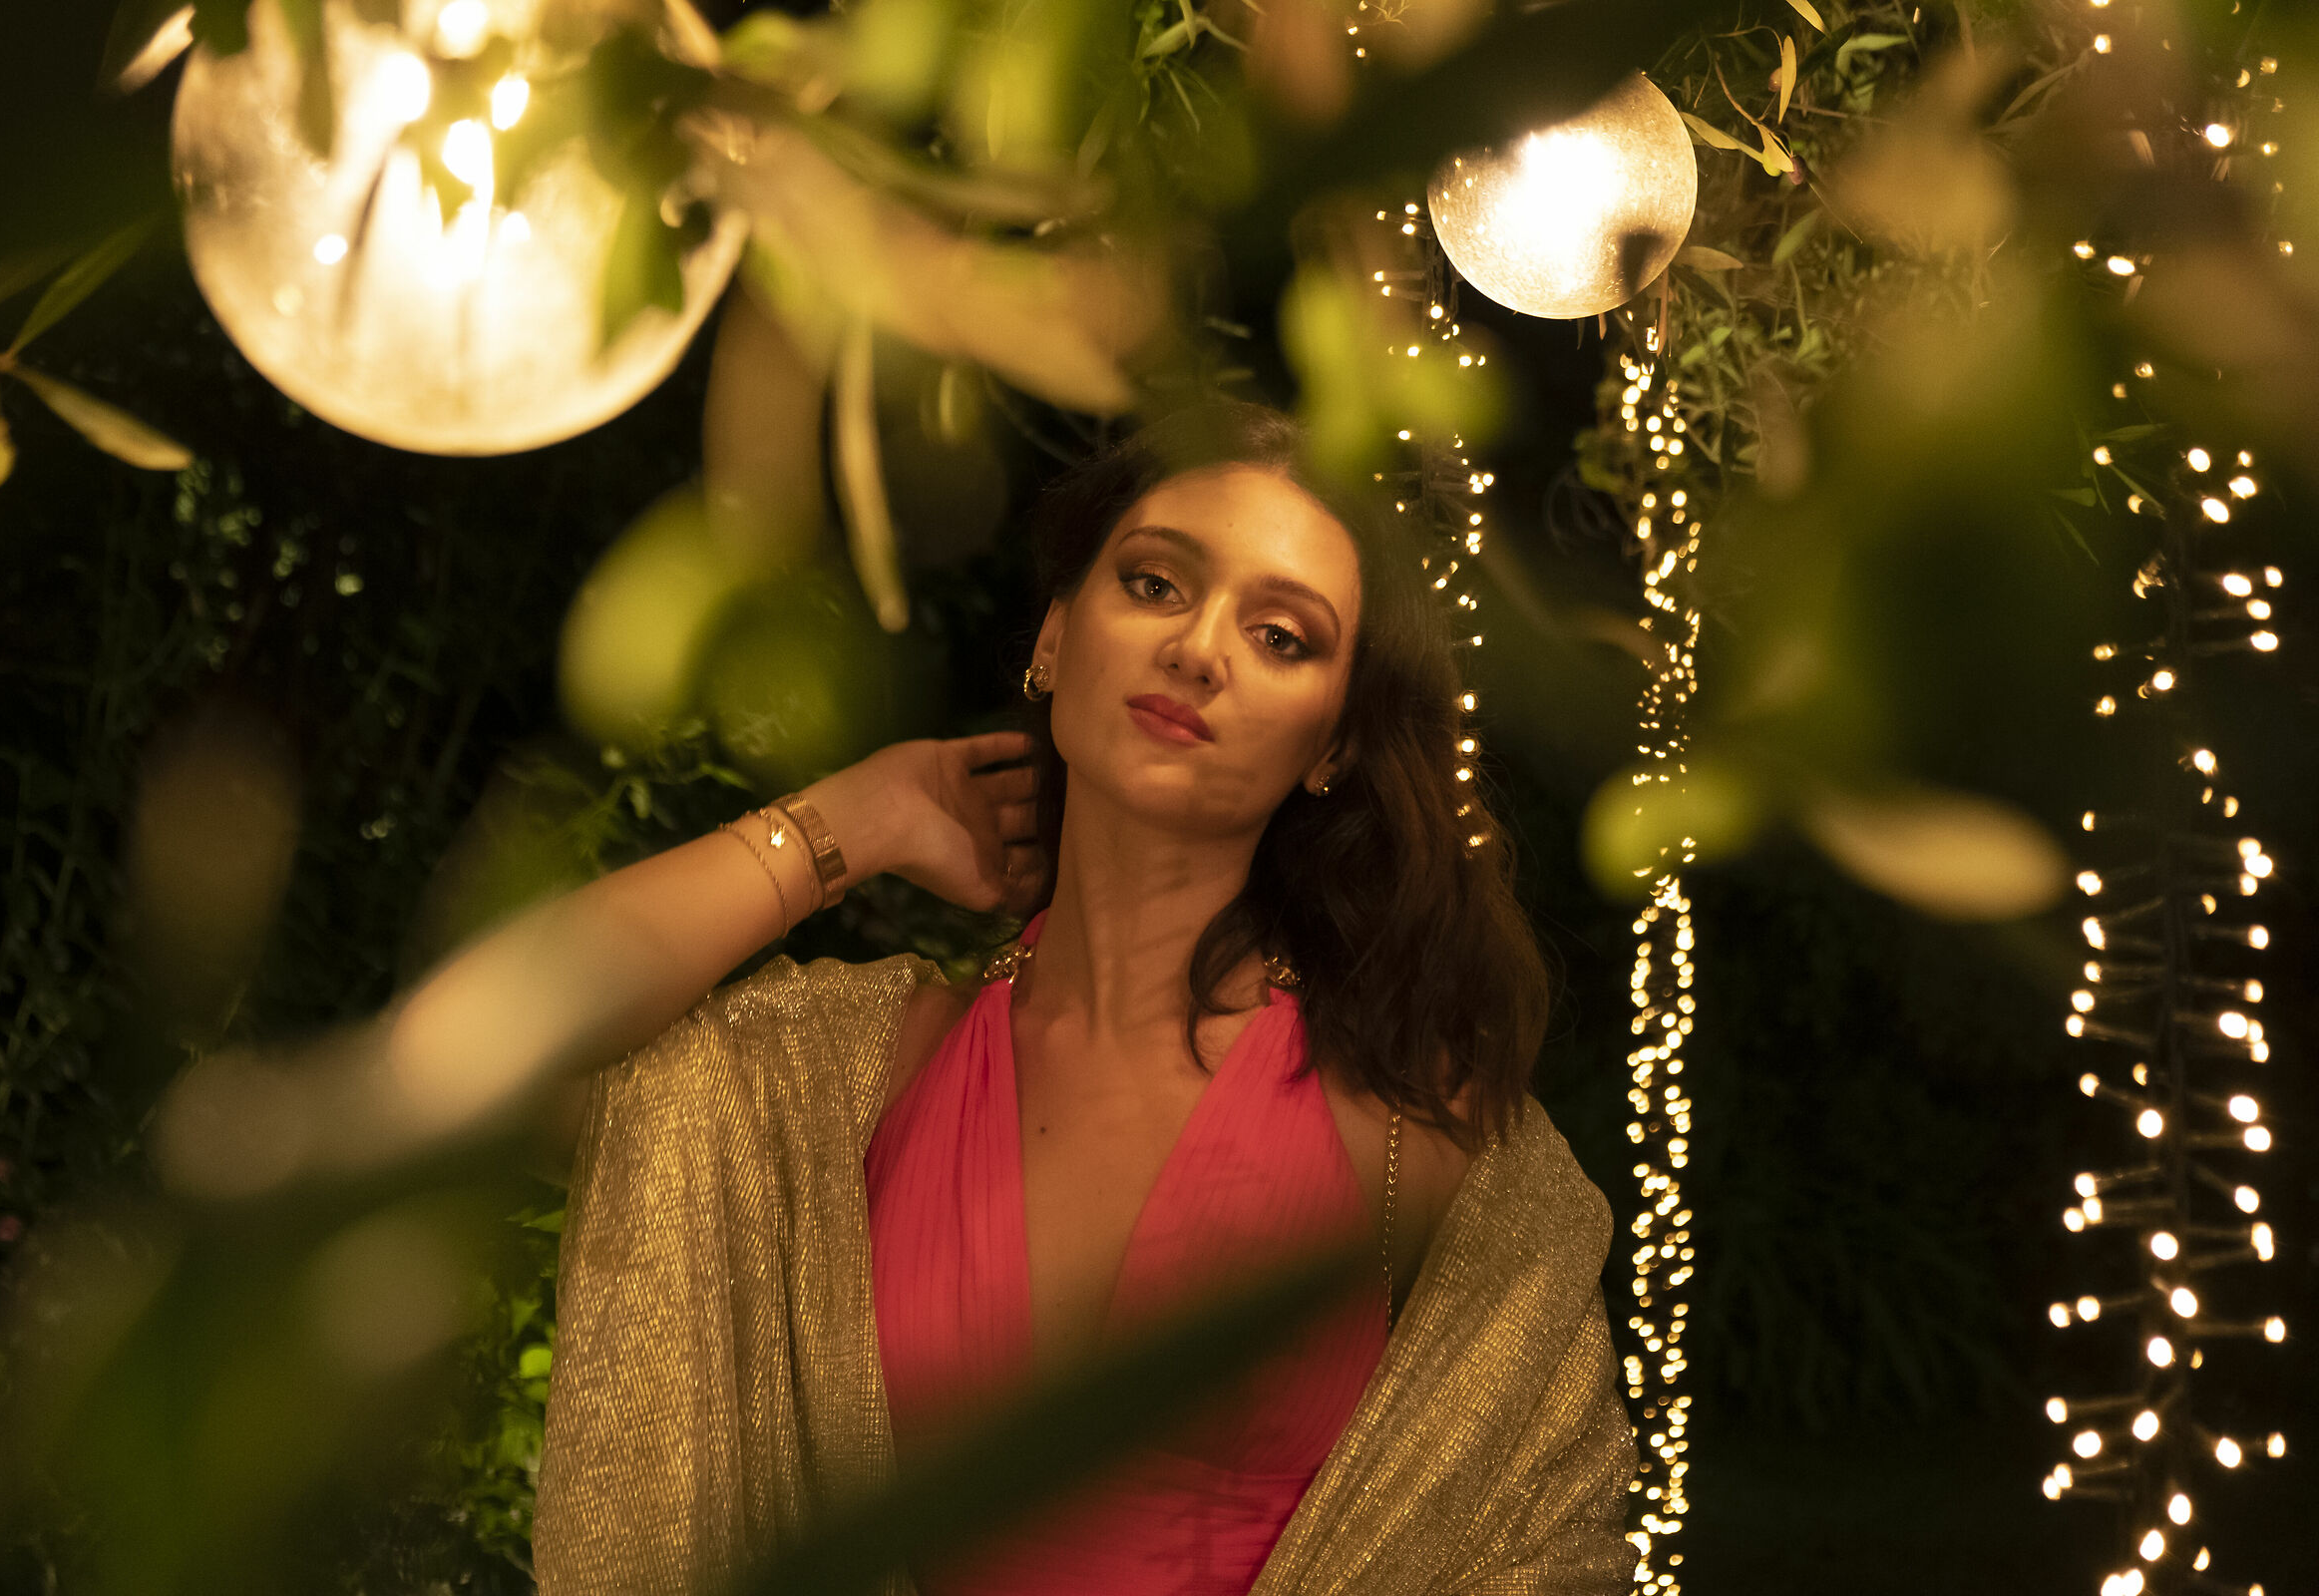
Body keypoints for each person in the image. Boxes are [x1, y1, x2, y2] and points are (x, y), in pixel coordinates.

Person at [398, 402, 1633, 1595]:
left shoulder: (1413, 1119)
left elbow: (1541, 1556)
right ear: (1054, 636)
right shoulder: (864, 1071)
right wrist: (844, 823)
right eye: (1155, 582)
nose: (1198, 648)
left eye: (1282, 636)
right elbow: (496, 1039)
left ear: (1332, 748)